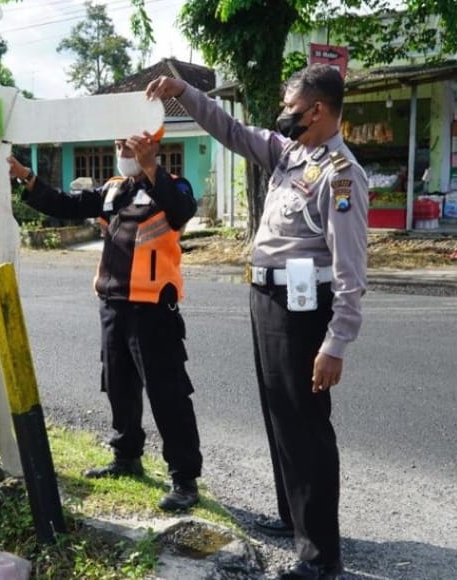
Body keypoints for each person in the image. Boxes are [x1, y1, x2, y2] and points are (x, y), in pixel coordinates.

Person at [146, 64, 367, 579]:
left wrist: (336, 343)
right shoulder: (289, 152)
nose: (282, 114)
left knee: (306, 425)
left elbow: (351, 271)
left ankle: (321, 558)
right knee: (278, 415)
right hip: (267, 299)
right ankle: (294, 517)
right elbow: (231, 129)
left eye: (290, 106)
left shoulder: (340, 176)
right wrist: (184, 91)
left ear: (316, 110)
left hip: (303, 309)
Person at [7, 133, 203, 512]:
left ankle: (184, 477)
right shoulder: (114, 190)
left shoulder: (173, 186)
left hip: (153, 311)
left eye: (129, 146)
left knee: (168, 395)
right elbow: (66, 204)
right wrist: (25, 176)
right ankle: (125, 456)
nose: (122, 153)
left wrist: (151, 168)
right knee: (118, 384)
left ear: (150, 147)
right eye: (118, 146)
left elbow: (182, 210)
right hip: (114, 306)